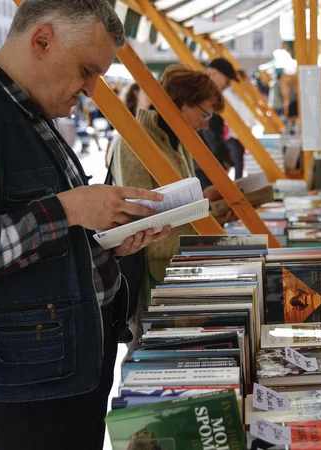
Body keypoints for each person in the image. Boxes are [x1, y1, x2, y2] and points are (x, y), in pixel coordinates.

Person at [0, 2, 171, 449]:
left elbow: (39, 237)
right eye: (86, 70)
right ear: (42, 40)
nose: (89, 89)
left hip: (62, 356)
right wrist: (67, 209)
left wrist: (107, 243)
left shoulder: (24, 107)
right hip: (29, 371)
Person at [108, 65, 228, 346]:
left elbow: (177, 203)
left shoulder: (177, 140)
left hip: (179, 264)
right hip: (156, 270)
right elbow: (141, 216)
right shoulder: (134, 140)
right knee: (152, 347)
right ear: (182, 103)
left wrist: (208, 202)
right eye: (205, 114)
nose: (205, 124)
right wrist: (209, 208)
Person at [195, 58, 237, 190]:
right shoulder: (204, 97)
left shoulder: (205, 95)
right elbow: (211, 136)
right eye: (227, 80)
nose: (228, 85)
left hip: (203, 165)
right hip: (204, 167)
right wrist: (225, 162)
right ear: (214, 73)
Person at [224, 69, 258, 179]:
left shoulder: (243, 96)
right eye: (246, 80)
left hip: (241, 135)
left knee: (239, 164)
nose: (248, 82)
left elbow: (250, 116)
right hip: (231, 135)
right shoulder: (227, 95)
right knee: (236, 164)